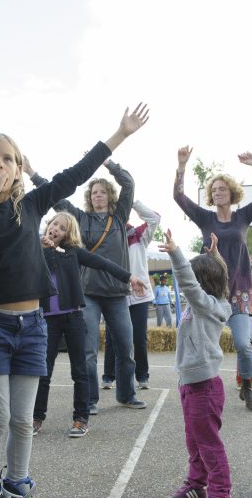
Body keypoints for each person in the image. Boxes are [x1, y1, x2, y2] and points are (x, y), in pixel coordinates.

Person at [0, 104, 148, 498]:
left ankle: (18, 495)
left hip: (32, 326)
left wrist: (118, 134)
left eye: (8, 159)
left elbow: (74, 175)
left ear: (20, 167)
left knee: (22, 420)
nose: (1, 165)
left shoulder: (34, 204)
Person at [173, 145, 252, 411]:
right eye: (214, 189)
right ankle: (196, 387)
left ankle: (246, 387)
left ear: (231, 193)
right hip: (210, 292)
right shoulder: (204, 217)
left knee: (244, 345)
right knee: (201, 343)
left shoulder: (244, 216)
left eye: (222, 188)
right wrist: (182, 166)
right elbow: (178, 195)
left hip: (239, 291)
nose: (217, 192)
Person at [45, 159, 148, 412]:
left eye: (102, 191)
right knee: (88, 351)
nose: (98, 195)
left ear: (109, 195)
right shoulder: (81, 218)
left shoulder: (120, 216)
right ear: (89, 197)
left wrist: (108, 163)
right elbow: (56, 197)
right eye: (94, 192)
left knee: (126, 347)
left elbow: (129, 183)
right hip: (89, 293)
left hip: (117, 294)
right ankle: (90, 399)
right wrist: (34, 175)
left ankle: (126, 395)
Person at [33, 212, 145, 438]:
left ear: (68, 234)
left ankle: (80, 418)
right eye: (54, 224)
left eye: (62, 228)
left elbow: (103, 263)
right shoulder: (36, 249)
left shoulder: (72, 253)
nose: (56, 229)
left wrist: (130, 277)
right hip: (48, 320)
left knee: (80, 371)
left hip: (74, 318)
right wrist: (42, 248)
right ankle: (36, 417)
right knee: (44, 371)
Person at [160, 230, 233, 498]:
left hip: (205, 386)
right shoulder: (199, 304)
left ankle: (221, 492)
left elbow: (189, 284)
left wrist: (177, 252)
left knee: (207, 441)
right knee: (193, 439)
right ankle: (196, 484)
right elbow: (210, 280)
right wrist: (216, 258)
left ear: (200, 282)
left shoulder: (207, 306)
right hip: (189, 383)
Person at [100, 201, 160, 390]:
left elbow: (155, 218)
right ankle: (108, 376)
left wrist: (132, 201)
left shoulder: (139, 235)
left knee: (139, 337)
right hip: (116, 294)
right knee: (111, 337)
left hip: (139, 295)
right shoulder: (106, 237)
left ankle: (142, 375)